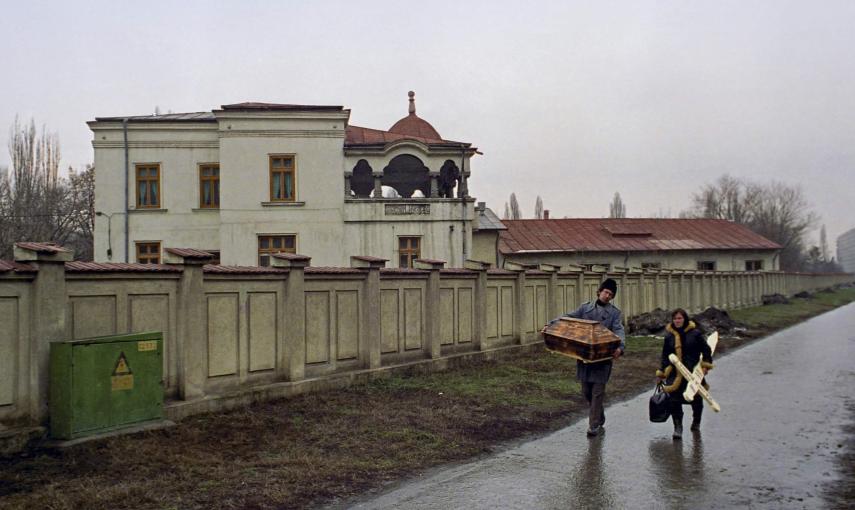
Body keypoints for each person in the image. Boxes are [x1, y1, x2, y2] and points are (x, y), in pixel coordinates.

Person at [553, 278, 625, 437]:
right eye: (606, 292)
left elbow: (619, 331)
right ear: (599, 292)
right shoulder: (585, 309)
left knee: (597, 392)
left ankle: (593, 426)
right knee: (586, 391)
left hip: (603, 358)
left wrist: (620, 347)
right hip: (585, 357)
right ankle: (599, 414)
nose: (607, 296)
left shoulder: (614, 313)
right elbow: (567, 318)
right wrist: (553, 324)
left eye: (611, 294)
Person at [656, 308, 714, 440]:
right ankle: (678, 427)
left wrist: (705, 366)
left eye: (680, 318)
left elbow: (706, 350)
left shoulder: (695, 334)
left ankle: (696, 422)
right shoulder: (669, 337)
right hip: (675, 374)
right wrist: (661, 373)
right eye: (675, 318)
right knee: (674, 400)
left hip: (693, 373)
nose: (677, 321)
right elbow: (665, 356)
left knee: (696, 400)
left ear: (685, 319)